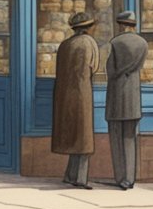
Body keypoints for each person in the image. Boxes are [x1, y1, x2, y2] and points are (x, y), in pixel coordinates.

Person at [53, 11, 100, 189]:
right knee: (84, 137)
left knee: (73, 136)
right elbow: (93, 67)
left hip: (64, 93)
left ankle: (69, 174)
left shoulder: (65, 44)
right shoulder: (89, 43)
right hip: (82, 92)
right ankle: (80, 178)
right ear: (88, 27)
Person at [105, 10, 147, 190]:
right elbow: (139, 67)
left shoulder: (115, 42)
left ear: (121, 25)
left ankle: (120, 177)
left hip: (116, 94)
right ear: (133, 25)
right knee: (130, 137)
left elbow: (111, 70)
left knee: (116, 138)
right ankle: (130, 178)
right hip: (133, 96)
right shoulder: (143, 43)